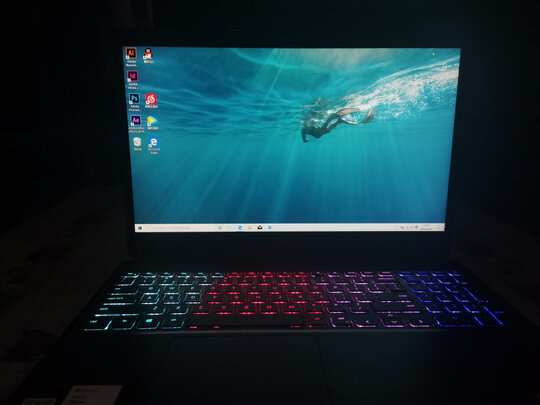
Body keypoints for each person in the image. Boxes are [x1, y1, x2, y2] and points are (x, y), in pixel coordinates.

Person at [301, 108, 377, 143]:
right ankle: (334, 119)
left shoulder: (305, 128)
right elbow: (304, 139)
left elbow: (304, 139)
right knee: (326, 125)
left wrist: (306, 140)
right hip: (318, 133)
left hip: (320, 132)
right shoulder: (304, 129)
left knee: (328, 128)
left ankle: (338, 121)